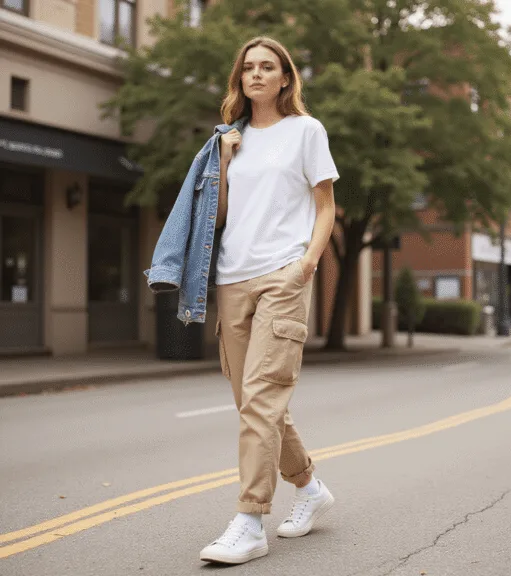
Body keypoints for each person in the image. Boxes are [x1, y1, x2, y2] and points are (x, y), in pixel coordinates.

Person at [199, 36, 340, 565]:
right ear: (240, 79)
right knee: (253, 401)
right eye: (248, 68)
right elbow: (216, 219)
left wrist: (306, 266)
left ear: (285, 78)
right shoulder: (228, 139)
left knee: (261, 398)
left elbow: (326, 206)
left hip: (282, 277)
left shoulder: (307, 131)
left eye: (268, 67)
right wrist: (225, 159)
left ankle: (249, 520)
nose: (257, 74)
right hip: (232, 280)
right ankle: (308, 488)